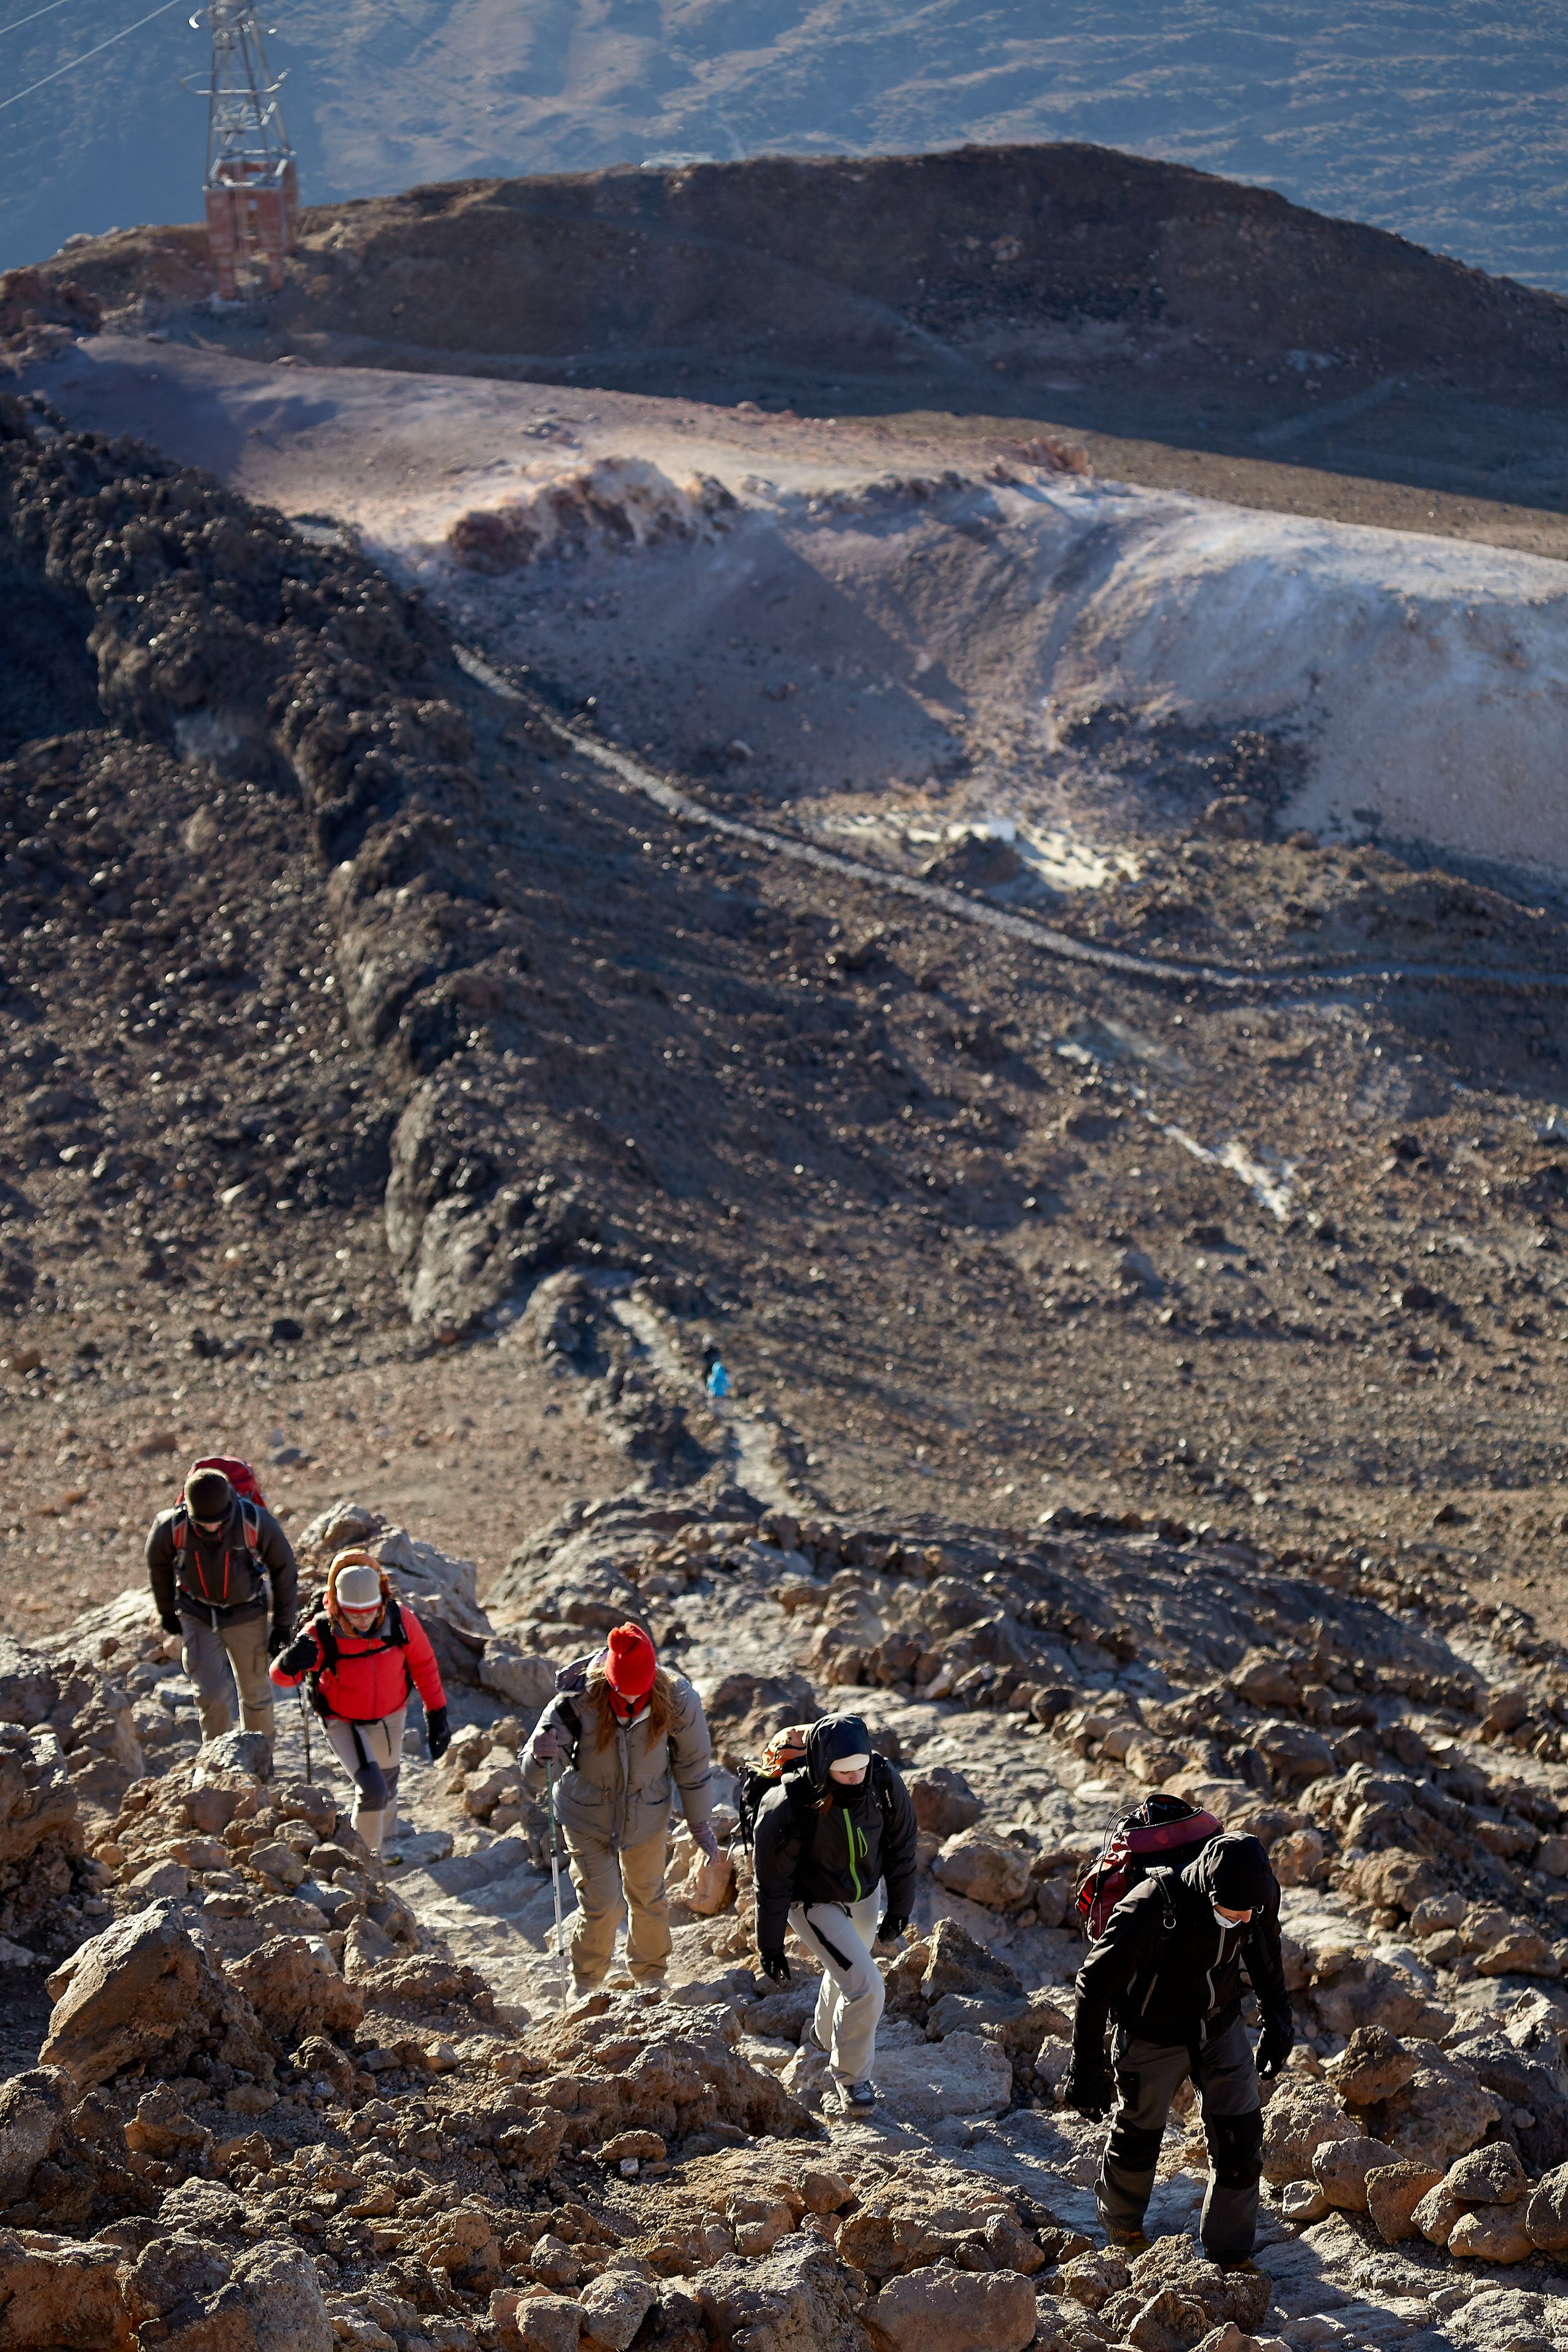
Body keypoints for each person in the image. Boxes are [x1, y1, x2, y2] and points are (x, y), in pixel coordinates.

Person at [1063, 1830, 1294, 2268]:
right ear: (1209, 1892)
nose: (1245, 1918)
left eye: (1252, 1910)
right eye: (1234, 1911)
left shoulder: (1256, 1897)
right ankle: (1123, 2228)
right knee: (1139, 2133)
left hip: (1221, 2025)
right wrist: (1085, 2065)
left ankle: (1229, 2256)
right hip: (1152, 2033)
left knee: (1241, 2138)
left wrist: (1279, 2019)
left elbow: (1266, 1952)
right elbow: (1093, 1983)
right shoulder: (1150, 1906)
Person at [522, 1622, 717, 1995]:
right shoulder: (576, 1699)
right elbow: (536, 1774)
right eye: (621, 1693)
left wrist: (700, 1824)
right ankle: (586, 1983)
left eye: (637, 1694)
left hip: (647, 1814)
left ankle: (650, 1975)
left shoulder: (678, 1698)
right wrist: (540, 1756)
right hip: (586, 1815)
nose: (629, 1702)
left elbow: (692, 1764)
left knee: (648, 1898)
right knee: (603, 1904)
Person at [751, 1713, 919, 2114]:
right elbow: (771, 1884)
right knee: (868, 1987)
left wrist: (900, 1906)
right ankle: (853, 2079)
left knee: (848, 1970)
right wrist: (770, 1945)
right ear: (823, 1767)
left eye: (860, 1767)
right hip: (811, 1903)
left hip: (863, 1893)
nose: (856, 1778)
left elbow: (903, 1845)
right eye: (843, 1773)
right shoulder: (789, 1805)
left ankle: (823, 2038)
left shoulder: (882, 1780)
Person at [270, 1551, 451, 1855]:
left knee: (389, 1783)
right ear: (339, 1606)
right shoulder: (321, 1631)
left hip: (391, 1714)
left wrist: (437, 1713)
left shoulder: (400, 1619)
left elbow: (424, 1664)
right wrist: (288, 1663)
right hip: (342, 1719)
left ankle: (385, 1843)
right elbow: (281, 1678)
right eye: (355, 1614)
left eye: (370, 1612)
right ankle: (364, 1857)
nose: (364, 1620)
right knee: (373, 1791)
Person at [146, 1462, 298, 1753]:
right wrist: (167, 1612)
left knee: (255, 1695)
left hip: (248, 1617)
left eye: (217, 1520)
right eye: (203, 1522)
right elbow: (158, 1565)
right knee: (212, 1698)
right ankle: (218, 1767)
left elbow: (284, 1570)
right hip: (198, 1617)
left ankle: (259, 1768)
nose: (211, 1527)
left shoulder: (255, 1521)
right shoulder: (172, 1526)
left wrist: (282, 1625)